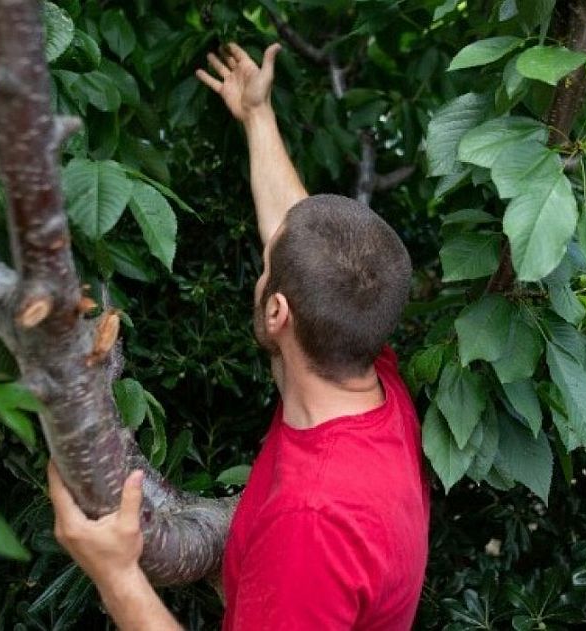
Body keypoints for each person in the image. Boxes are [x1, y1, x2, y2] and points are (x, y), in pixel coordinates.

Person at [47, 42, 429, 630]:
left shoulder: (311, 524)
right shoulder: (368, 365)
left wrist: (115, 572)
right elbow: (301, 243)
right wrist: (258, 115)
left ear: (277, 311)